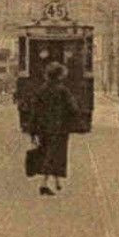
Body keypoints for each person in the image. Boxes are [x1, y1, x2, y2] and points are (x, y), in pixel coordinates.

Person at [31, 62, 81, 196]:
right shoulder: (63, 90)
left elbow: (34, 111)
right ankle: (44, 184)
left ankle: (57, 181)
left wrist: (33, 131)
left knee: (50, 152)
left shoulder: (42, 90)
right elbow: (73, 108)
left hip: (43, 128)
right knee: (55, 154)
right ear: (59, 75)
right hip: (59, 128)